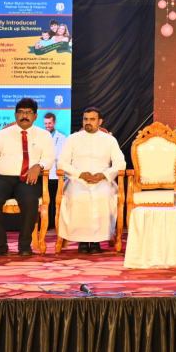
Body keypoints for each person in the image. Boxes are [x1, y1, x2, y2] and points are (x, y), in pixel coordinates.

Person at [0, 98, 55, 256]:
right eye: (21, 112)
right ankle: (0, 245)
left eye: (28, 112)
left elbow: (49, 158)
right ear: (15, 115)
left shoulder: (44, 136)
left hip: (29, 179)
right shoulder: (2, 135)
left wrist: (38, 166)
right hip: (3, 179)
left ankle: (25, 245)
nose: (24, 115)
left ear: (35, 116)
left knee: (29, 200)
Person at [57, 107, 126, 254]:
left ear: (100, 122)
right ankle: (82, 241)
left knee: (103, 197)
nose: (88, 122)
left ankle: (96, 241)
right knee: (77, 197)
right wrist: (80, 174)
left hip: (102, 180)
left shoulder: (109, 140)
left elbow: (120, 163)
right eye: (85, 119)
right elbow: (62, 163)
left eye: (92, 119)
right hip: (77, 179)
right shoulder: (72, 139)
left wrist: (103, 175)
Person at [44, 112, 67, 180]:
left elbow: (62, 157)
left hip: (56, 174)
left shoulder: (62, 137)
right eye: (45, 123)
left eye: (49, 123)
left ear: (54, 122)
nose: (47, 126)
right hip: (43, 174)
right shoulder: (41, 137)